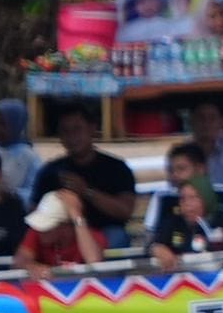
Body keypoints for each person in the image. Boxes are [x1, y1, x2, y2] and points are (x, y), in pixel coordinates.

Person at [25, 105, 139, 245]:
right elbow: (34, 211)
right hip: (62, 237)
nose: (71, 136)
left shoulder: (116, 168)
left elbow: (125, 211)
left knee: (117, 236)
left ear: (92, 129)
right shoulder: (50, 171)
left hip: (104, 233)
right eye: (65, 131)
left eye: (77, 129)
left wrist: (86, 191)